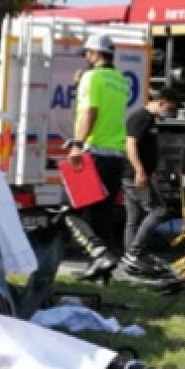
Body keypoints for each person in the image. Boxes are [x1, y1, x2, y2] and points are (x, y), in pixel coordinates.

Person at [64, 34, 130, 280]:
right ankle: (103, 274)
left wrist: (77, 144)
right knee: (103, 216)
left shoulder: (92, 78)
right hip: (115, 155)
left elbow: (89, 112)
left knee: (72, 213)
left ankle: (99, 254)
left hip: (94, 154)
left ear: (95, 53)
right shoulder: (120, 80)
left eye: (87, 54)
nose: (86, 58)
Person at [120, 88, 179, 277]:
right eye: (169, 107)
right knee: (159, 211)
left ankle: (131, 259)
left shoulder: (150, 119)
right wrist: (139, 171)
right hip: (134, 175)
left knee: (134, 218)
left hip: (140, 174)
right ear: (161, 102)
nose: (169, 111)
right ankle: (134, 253)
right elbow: (130, 144)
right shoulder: (140, 118)